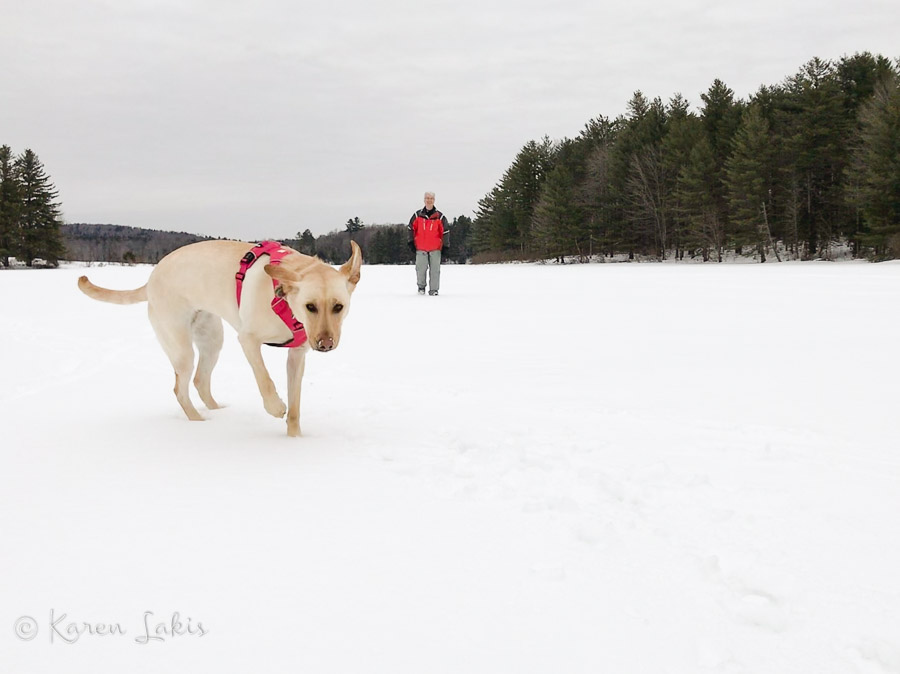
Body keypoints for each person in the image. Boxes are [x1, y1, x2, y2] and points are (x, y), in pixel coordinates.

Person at [407, 192, 450, 296]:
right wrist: (411, 242)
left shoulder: (440, 217)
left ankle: (434, 290)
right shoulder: (417, 215)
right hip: (421, 247)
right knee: (420, 269)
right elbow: (410, 228)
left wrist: (445, 245)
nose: (429, 200)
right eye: (427, 198)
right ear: (424, 200)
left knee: (435, 271)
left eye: (431, 198)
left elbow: (445, 232)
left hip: (435, 248)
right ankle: (421, 287)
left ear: (434, 200)